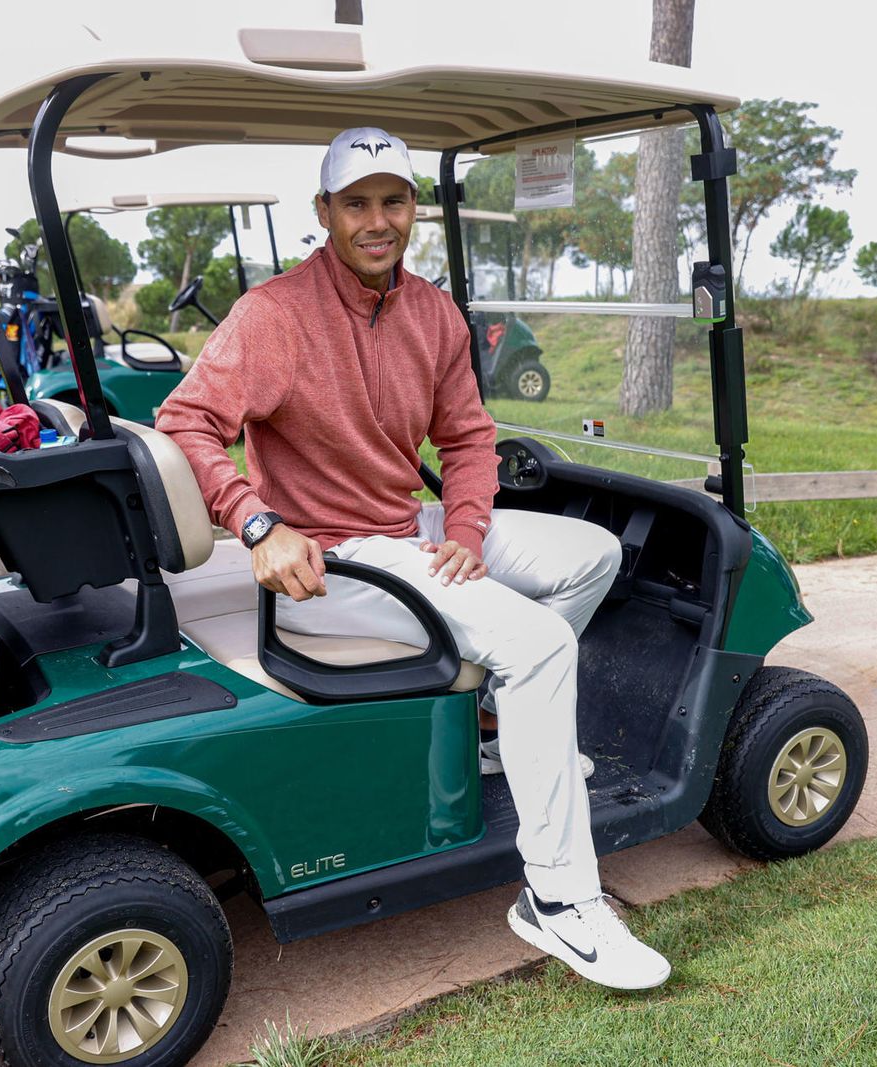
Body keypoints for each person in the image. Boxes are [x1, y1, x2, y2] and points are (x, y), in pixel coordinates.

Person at [155, 126, 670, 990]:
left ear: (414, 209)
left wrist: (465, 534)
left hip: (413, 528)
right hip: (329, 559)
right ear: (324, 213)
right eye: (356, 203)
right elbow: (186, 422)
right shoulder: (274, 315)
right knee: (543, 642)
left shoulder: (431, 311)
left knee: (590, 555)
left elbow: (468, 438)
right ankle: (557, 898)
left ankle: (500, 729)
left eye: (392, 200)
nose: (376, 219)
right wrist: (254, 522)